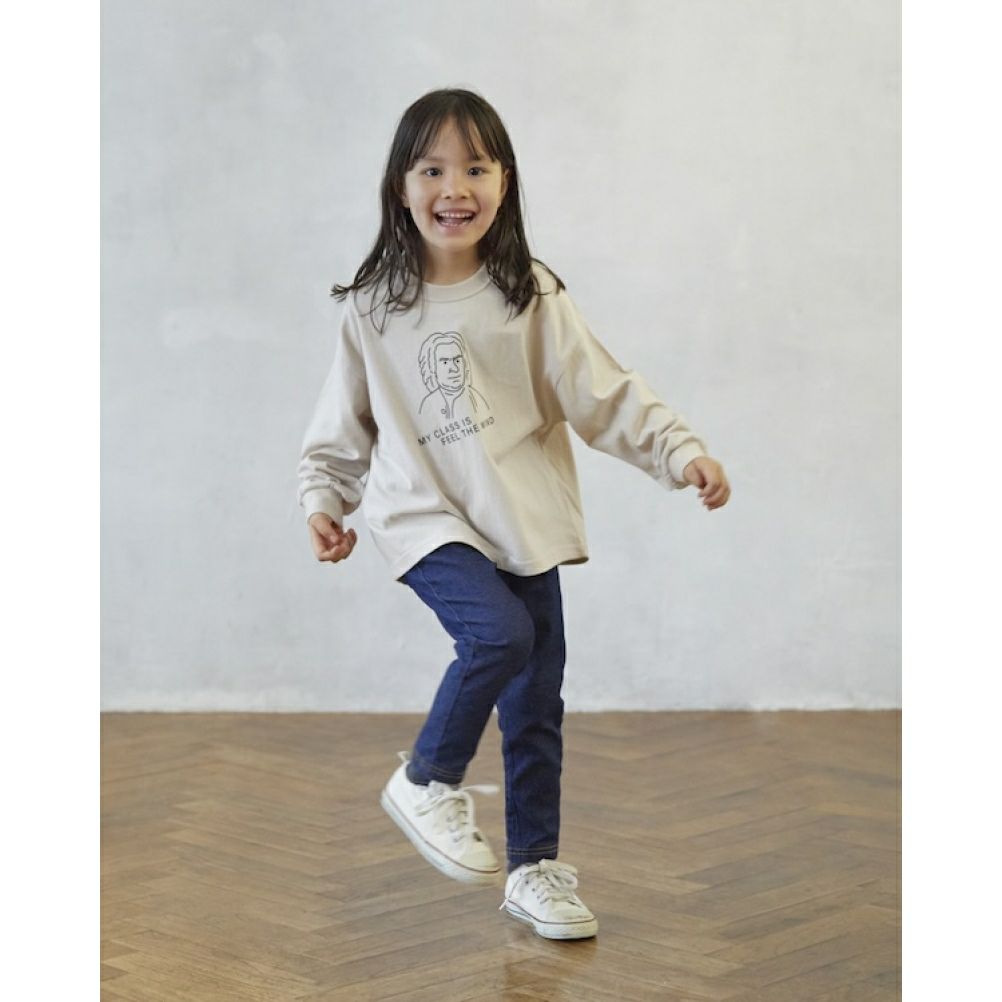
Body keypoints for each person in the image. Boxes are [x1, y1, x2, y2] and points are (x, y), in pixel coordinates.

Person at [297, 88, 731, 941]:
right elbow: (342, 423)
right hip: (423, 515)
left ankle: (535, 871)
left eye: (475, 168)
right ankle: (426, 777)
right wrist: (325, 498)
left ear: (505, 182)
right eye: (432, 170)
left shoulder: (529, 294)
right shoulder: (374, 306)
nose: (454, 188)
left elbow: (603, 392)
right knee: (500, 636)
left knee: (536, 702)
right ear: (400, 186)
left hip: (520, 519)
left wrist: (678, 451)